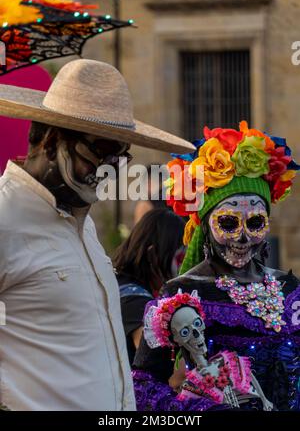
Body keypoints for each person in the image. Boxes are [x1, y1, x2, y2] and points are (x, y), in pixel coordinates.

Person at [0, 58, 194, 411]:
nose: (107, 173)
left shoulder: (82, 223)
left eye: (119, 159)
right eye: (99, 153)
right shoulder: (5, 220)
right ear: (47, 139)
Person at [137, 121, 300, 411]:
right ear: (206, 226)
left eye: (255, 223)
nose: (243, 236)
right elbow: (143, 384)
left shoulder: (289, 288)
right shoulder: (180, 292)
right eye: (228, 222)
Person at [114, 208, 185, 364]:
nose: (184, 269)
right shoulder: (133, 298)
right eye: (180, 259)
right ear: (152, 255)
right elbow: (153, 356)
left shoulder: (120, 283)